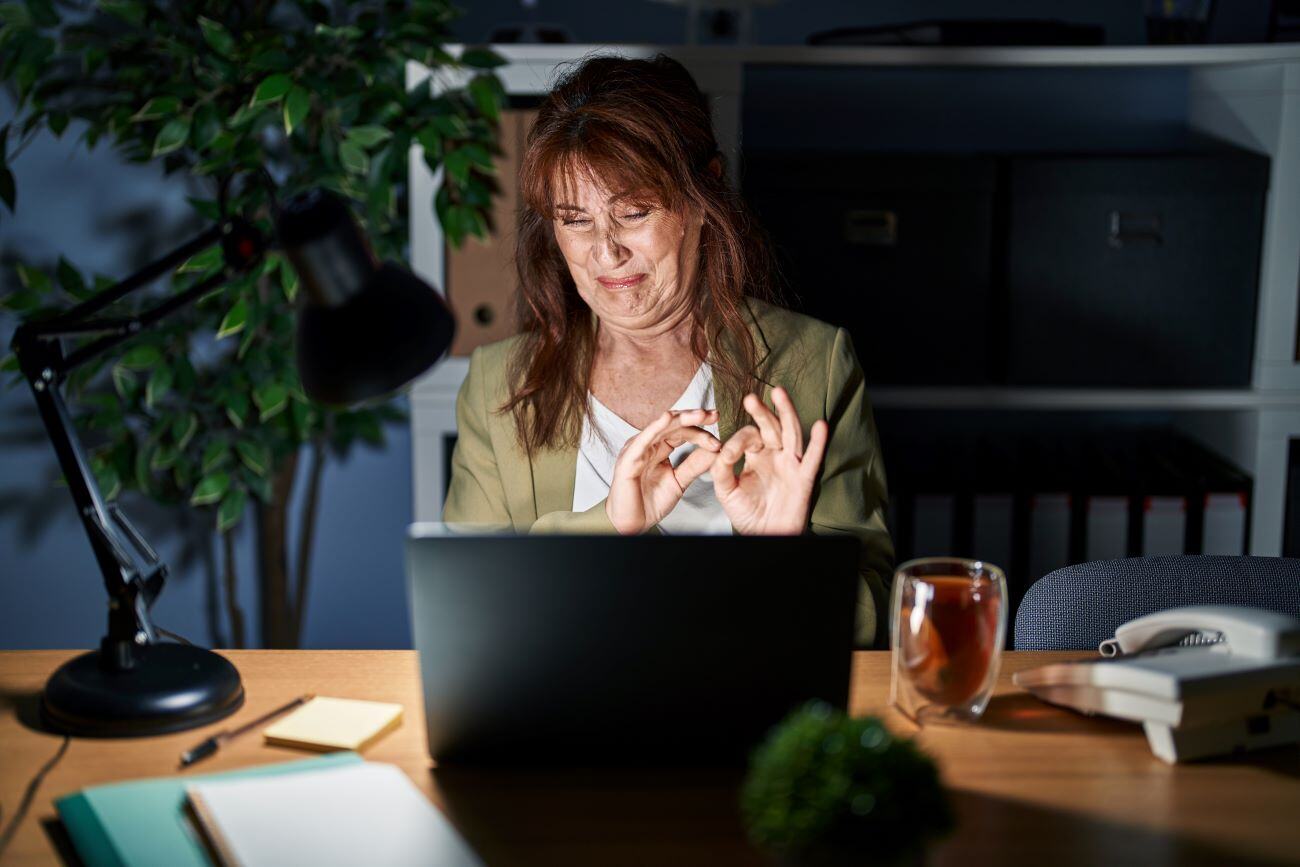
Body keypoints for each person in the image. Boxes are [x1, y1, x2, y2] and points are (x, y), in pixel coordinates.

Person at [443, 54, 894, 646]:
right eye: (575, 219)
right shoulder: (497, 382)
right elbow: (469, 617)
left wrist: (785, 555)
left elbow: (875, 623)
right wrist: (610, 523)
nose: (606, 251)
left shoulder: (816, 361)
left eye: (633, 213)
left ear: (702, 198)